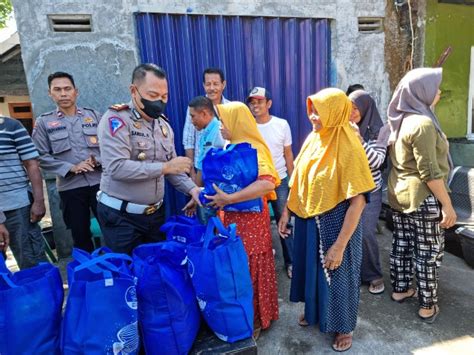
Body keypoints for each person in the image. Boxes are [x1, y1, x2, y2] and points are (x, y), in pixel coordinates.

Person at [278, 88, 375, 352]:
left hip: (338, 224)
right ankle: (316, 312)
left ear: (334, 112)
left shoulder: (349, 146)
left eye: (318, 111)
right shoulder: (314, 138)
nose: (312, 117)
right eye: (310, 110)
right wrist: (287, 212)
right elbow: (297, 177)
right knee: (312, 271)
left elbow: (358, 201)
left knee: (339, 275)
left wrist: (340, 244)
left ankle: (344, 327)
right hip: (310, 219)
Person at [97, 63, 201, 255]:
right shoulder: (117, 120)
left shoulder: (163, 126)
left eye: (164, 97)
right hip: (122, 218)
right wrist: (165, 167)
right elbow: (117, 168)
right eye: (153, 96)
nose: (159, 102)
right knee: (127, 274)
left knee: (153, 272)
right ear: (133, 91)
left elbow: (173, 169)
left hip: (155, 216)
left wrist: (192, 189)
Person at [384, 68, 456, 323]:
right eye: (434, 87)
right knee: (427, 252)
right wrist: (447, 205)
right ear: (421, 92)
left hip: (399, 194)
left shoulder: (401, 118)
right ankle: (427, 305)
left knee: (402, 244)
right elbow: (430, 171)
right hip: (423, 196)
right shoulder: (422, 123)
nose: (438, 91)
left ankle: (401, 289)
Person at [204, 102, 280, 339]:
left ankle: (256, 318)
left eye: (224, 122)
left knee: (251, 268)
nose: (221, 127)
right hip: (231, 219)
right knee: (236, 268)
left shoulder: (254, 147)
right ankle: (240, 315)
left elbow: (268, 182)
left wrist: (229, 198)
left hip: (251, 223)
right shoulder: (231, 146)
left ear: (237, 123)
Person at [33, 72, 102, 253]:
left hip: (101, 184)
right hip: (71, 188)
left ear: (75, 92)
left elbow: (112, 147)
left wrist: (98, 160)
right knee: (80, 236)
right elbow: (39, 155)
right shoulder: (44, 122)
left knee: (111, 230)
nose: (63, 94)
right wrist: (71, 167)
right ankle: (89, 275)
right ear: (50, 93)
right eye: (57, 90)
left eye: (67, 89)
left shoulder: (94, 116)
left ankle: (115, 271)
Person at [247, 86, 295, 278]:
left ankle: (291, 262)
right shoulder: (248, 126)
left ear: (269, 104)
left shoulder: (282, 124)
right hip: (257, 183)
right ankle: (264, 265)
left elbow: (288, 153)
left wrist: (293, 182)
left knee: (285, 222)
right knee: (259, 225)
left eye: (259, 101)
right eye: (252, 101)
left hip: (280, 180)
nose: (255, 105)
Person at [348, 90, 386, 294]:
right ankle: (354, 273)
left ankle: (373, 274)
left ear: (365, 107)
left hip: (371, 190)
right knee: (349, 232)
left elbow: (377, 162)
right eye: (349, 107)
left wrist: (359, 140)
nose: (352, 112)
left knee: (366, 232)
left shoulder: (379, 130)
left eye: (356, 107)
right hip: (349, 191)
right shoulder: (344, 128)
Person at [1, 116, 46, 269]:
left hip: (17, 204)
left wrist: (39, 201)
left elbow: (31, 164)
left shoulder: (11, 126)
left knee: (31, 261)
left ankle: (41, 292)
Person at [182, 68, 230, 180]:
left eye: (216, 84)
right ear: (204, 85)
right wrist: (192, 173)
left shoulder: (231, 108)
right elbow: (189, 141)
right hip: (202, 171)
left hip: (225, 169)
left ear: (223, 84)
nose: (212, 88)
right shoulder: (194, 108)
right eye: (208, 84)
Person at [188, 95, 226, 223]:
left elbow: (205, 167)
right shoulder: (206, 131)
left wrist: (196, 196)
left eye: (193, 116)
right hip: (206, 192)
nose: (191, 120)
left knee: (212, 234)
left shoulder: (219, 132)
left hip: (214, 195)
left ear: (204, 113)